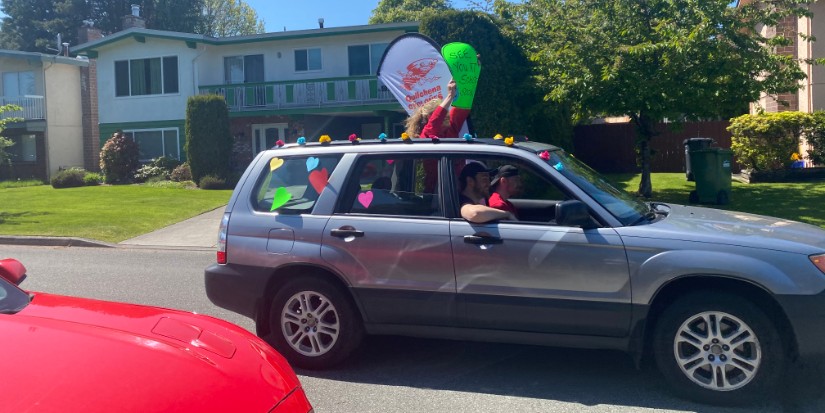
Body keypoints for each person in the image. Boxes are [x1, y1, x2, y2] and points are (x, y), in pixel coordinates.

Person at [404, 79, 470, 139]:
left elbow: (462, 105)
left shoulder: (451, 129)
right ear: (429, 117)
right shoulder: (425, 136)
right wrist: (450, 95)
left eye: (446, 113)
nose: (446, 116)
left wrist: (465, 75)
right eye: (443, 115)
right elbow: (435, 121)